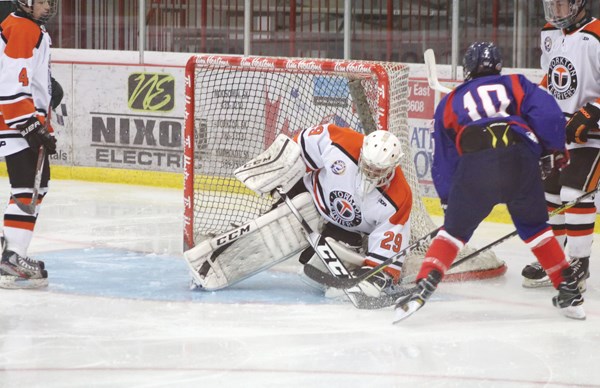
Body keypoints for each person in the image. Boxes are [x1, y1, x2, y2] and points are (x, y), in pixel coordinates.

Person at [393, 42, 586, 323]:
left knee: (452, 234)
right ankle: (568, 289)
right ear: (498, 66)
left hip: (475, 163)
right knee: (536, 229)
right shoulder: (516, 84)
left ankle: (424, 285)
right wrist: (554, 150)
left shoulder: (450, 102)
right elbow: (547, 113)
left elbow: (444, 157)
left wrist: (448, 197)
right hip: (519, 157)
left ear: (467, 68)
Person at [521, 0, 600, 290]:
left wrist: (593, 112)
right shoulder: (550, 33)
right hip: (558, 132)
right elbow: (552, 76)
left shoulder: (596, 35)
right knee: (550, 194)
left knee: (573, 192)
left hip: (592, 135)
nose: (555, 11)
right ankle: (553, 259)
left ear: (579, 4)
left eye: (562, 5)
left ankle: (579, 262)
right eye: (551, 5)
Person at [289, 124, 413, 297]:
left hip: (347, 230)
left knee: (312, 264)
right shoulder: (342, 141)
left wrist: (379, 274)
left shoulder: (400, 196)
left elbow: (387, 246)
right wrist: (281, 167)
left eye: (378, 170)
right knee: (277, 226)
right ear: (362, 152)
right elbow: (297, 148)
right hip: (312, 197)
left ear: (393, 166)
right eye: (368, 165)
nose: (371, 173)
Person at [0, 0, 59, 288]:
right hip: (14, 120)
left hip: (18, 117)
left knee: (36, 185)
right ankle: (12, 258)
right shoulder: (23, 28)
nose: (48, 6)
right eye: (43, 1)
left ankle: (11, 249)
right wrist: (28, 122)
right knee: (27, 186)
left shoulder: (26, 26)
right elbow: (11, 81)